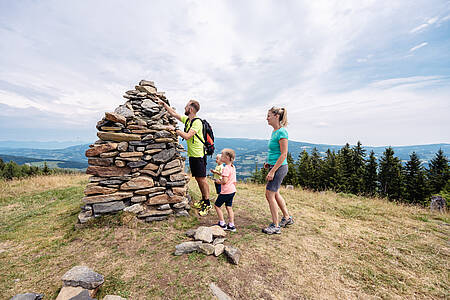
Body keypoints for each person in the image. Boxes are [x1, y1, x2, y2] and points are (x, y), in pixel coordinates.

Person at [158, 99, 211, 215]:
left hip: (199, 155)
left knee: (202, 179)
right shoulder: (188, 120)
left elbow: (187, 136)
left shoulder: (197, 122)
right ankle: (203, 200)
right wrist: (164, 104)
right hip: (193, 155)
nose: (184, 108)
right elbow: (174, 114)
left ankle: (207, 203)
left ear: (191, 109)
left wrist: (175, 130)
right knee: (198, 179)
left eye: (186, 107)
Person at [262, 107, 294, 235]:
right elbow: (275, 152)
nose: (267, 118)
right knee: (275, 193)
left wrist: (272, 171)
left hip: (279, 168)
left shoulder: (282, 132)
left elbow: (284, 154)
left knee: (269, 194)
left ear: (276, 116)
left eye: (269, 115)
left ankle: (275, 226)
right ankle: (287, 218)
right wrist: (269, 165)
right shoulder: (275, 131)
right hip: (274, 166)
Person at [213, 148, 237, 232]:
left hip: (226, 191)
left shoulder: (226, 168)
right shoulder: (232, 167)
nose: (221, 157)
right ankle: (231, 225)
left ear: (227, 157)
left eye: (222, 156)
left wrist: (218, 182)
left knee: (217, 206)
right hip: (232, 190)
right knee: (229, 207)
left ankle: (222, 223)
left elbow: (224, 181)